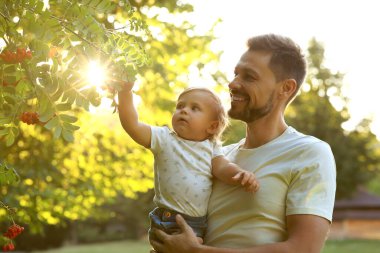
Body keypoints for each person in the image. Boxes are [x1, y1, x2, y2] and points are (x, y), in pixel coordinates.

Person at [149, 34, 337, 253]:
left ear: (285, 88)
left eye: (249, 76)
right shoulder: (218, 158)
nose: (233, 83)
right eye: (236, 73)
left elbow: (304, 249)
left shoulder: (309, 153)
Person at [117, 84, 260, 251]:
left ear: (212, 126)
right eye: (180, 106)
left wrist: (240, 174)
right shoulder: (164, 138)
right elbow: (132, 125)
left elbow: (222, 168)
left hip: (194, 223)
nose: (184, 110)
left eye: (195, 108)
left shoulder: (211, 146)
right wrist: (125, 92)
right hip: (166, 218)